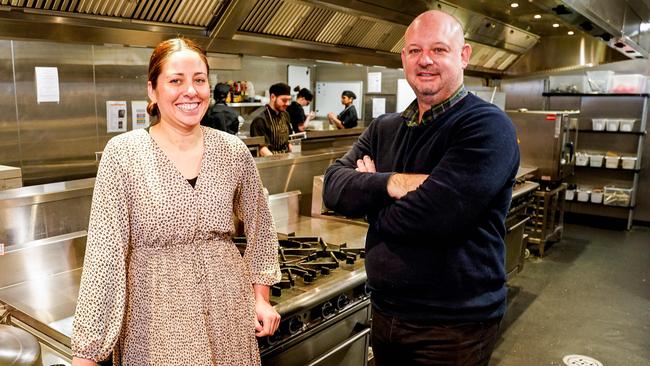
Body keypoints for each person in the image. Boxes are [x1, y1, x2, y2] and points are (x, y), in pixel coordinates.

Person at [322, 10, 519, 366]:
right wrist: (394, 183)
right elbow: (333, 188)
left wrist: (368, 192)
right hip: (385, 312)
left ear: (464, 56)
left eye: (439, 49)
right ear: (403, 59)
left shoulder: (487, 127)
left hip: (453, 326)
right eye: (414, 51)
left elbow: (436, 217)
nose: (425, 60)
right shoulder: (385, 127)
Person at [71, 37, 281, 366]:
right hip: (156, 319)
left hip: (228, 311)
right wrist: (89, 352)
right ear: (152, 90)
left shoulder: (232, 151)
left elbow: (261, 226)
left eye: (199, 80)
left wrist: (261, 297)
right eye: (175, 81)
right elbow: (104, 259)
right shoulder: (124, 154)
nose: (190, 91)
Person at [250, 83, 293, 156]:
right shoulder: (260, 120)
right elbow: (262, 148)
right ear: (273, 97)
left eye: (289, 100)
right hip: (269, 161)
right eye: (284, 100)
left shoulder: (285, 115)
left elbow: (289, 140)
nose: (288, 103)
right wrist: (276, 163)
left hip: (286, 158)